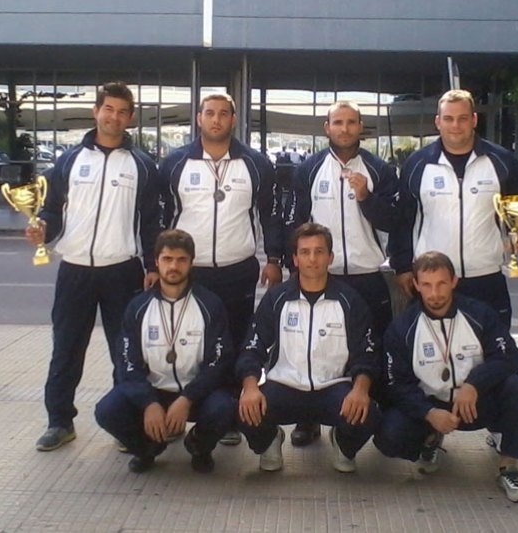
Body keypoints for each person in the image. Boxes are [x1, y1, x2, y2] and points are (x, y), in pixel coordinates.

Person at [26, 81, 162, 452]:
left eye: (122, 112)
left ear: (130, 118)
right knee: (66, 348)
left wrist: (152, 265)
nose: (114, 117)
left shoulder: (142, 166)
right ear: (96, 111)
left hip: (122, 270)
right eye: (108, 109)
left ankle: (123, 422)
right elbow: (51, 210)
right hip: (75, 270)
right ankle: (59, 421)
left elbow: (151, 222)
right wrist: (42, 230)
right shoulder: (70, 160)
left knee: (126, 352)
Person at [159, 93, 284, 446]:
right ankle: (177, 409)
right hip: (189, 271)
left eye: (223, 114)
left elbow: (270, 215)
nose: (216, 120)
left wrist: (274, 259)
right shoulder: (176, 163)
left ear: (234, 119)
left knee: (234, 342)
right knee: (186, 341)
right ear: (199, 118)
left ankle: (226, 416)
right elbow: (161, 217)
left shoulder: (256, 164)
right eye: (210, 113)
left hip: (237, 269)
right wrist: (154, 264)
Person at [373, 251, 518, 504]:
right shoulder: (402, 327)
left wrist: (474, 384)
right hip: (432, 406)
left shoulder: (479, 314)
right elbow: (395, 384)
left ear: (454, 281)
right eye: (427, 285)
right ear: (416, 285)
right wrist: (428, 412)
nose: (434, 293)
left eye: (441, 284)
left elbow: (512, 358)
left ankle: (509, 467)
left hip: (474, 404)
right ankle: (430, 440)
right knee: (389, 436)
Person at [284, 100, 398, 447]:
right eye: (338, 122)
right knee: (315, 345)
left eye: (351, 122)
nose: (344, 129)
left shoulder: (380, 169)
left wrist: (366, 197)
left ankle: (364, 415)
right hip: (322, 275)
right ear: (327, 127)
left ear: (360, 126)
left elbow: (395, 220)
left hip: (367, 274)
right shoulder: (309, 169)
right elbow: (296, 222)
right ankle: (308, 418)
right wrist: (293, 267)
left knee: (370, 347)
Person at [236, 223, 381, 473]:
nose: (312, 259)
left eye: (319, 251)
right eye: (305, 252)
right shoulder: (277, 298)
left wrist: (360, 390)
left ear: (330, 257)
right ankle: (270, 440)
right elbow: (252, 347)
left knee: (369, 413)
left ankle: (343, 443)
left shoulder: (350, 300)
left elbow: (366, 353)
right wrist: (249, 388)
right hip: (284, 386)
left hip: (333, 387)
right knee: (243, 409)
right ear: (295, 259)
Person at [390, 89, 518, 331]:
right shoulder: (417, 164)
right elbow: (403, 220)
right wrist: (403, 266)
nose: (455, 126)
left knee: (492, 347)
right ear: (438, 122)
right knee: (435, 347)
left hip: (486, 276)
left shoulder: (501, 160)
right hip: (434, 280)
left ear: (474, 120)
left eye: (462, 118)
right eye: (448, 119)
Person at [95, 229, 235, 473]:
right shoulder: (138, 308)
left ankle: (199, 446)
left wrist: (187, 398)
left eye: (181, 260)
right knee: (107, 410)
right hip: (154, 391)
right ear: (157, 261)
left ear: (191, 262)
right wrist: (148, 402)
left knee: (225, 407)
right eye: (167, 259)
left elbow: (219, 362)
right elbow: (127, 364)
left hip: (196, 394)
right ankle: (147, 448)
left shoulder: (210, 305)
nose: (173, 266)